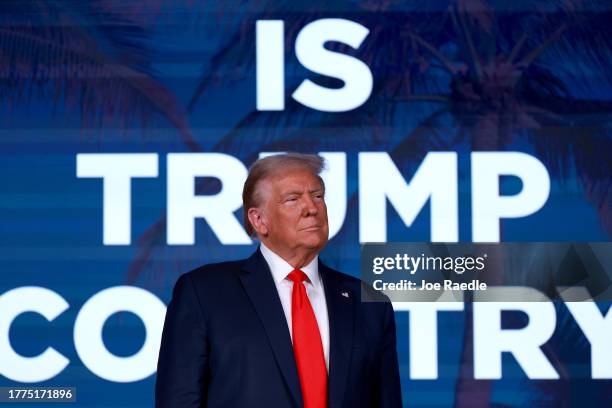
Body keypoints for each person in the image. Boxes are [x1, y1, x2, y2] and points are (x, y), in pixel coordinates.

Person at [155, 153, 402, 407]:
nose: (312, 208)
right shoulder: (204, 293)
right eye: (293, 199)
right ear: (259, 220)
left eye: (317, 196)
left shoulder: (369, 304)